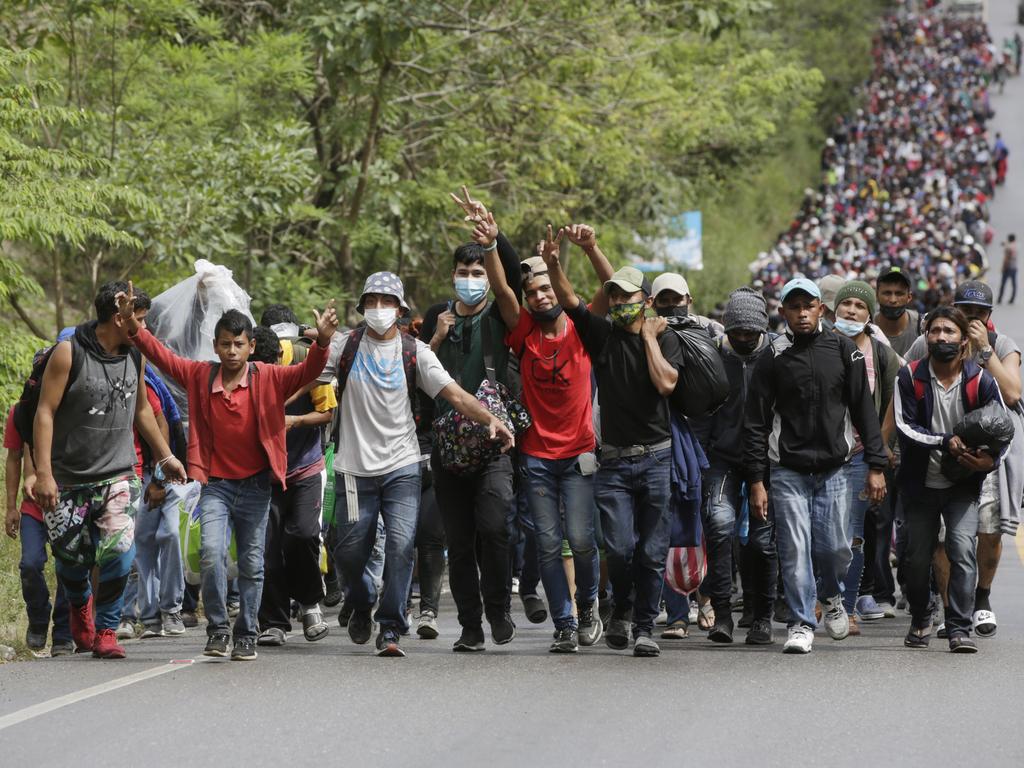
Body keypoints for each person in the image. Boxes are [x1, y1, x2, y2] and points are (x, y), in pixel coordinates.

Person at [119, 284, 337, 661]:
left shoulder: (269, 376)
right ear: (216, 347)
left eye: (239, 344)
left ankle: (247, 631)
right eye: (224, 344)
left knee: (253, 563)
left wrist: (323, 343)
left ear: (251, 346)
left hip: (256, 486)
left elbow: (310, 371)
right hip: (217, 486)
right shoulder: (201, 376)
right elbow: (163, 357)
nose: (232, 351)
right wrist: (134, 328)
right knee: (211, 554)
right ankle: (218, 628)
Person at [319, 271, 514, 656]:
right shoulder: (345, 347)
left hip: (403, 465)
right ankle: (360, 603)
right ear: (362, 307)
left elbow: (455, 394)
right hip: (354, 470)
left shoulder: (416, 351)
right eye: (371, 301)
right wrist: (320, 342)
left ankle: (390, 626)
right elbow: (305, 379)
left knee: (402, 545)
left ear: (400, 309)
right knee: (349, 552)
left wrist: (491, 418)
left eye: (386, 302)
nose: (378, 309)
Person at [475, 207, 613, 653]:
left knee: (581, 540)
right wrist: (492, 242)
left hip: (579, 455)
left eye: (546, 289)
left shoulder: (582, 329)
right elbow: (500, 287)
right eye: (532, 292)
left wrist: (587, 249)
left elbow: (611, 291)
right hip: (537, 458)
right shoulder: (523, 333)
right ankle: (566, 623)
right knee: (549, 544)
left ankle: (589, 605)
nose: (538, 297)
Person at [546, 235, 685, 658]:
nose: (620, 300)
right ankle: (620, 607)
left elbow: (666, 384)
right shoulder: (601, 336)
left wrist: (647, 339)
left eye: (628, 295)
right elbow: (569, 298)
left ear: (645, 300)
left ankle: (644, 626)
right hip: (614, 462)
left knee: (651, 550)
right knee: (621, 548)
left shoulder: (664, 337)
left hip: (658, 457)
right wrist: (560, 260)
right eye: (615, 295)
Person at [32, 281, 186, 659]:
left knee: (120, 554)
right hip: (68, 477)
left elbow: (143, 412)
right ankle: (81, 604)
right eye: (138, 320)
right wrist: (44, 473)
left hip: (119, 473)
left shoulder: (137, 356)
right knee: (71, 563)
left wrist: (166, 457)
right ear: (119, 318)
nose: (144, 330)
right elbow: (44, 412)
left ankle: (107, 630)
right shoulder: (68, 354)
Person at [744, 278, 887, 654]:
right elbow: (756, 423)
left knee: (837, 548)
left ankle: (832, 596)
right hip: (787, 470)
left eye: (808, 305)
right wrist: (757, 481)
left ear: (820, 309)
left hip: (836, 470)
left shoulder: (844, 351)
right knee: (793, 549)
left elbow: (864, 412)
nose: (802, 313)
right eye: (794, 307)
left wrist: (876, 464)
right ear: (784, 313)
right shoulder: (771, 356)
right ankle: (801, 622)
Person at [418, 189, 523, 652]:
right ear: (453, 277)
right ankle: (470, 625)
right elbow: (413, 374)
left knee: (495, 525)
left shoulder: (501, 317)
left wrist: (495, 241)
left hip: (494, 444)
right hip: (446, 449)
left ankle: (499, 609)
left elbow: (507, 287)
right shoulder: (436, 319)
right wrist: (436, 338)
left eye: (477, 272)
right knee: (457, 544)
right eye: (463, 273)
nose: (470, 280)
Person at [903, 280, 1021, 638]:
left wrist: (984, 352)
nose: (971, 318)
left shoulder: (1002, 345)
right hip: (937, 453)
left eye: (979, 313)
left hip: (986, 458)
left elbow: (1013, 393)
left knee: (988, 532)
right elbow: (905, 381)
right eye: (965, 311)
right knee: (943, 538)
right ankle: (952, 606)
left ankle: (981, 598)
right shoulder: (930, 340)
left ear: (988, 316)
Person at [697, 288, 778, 645]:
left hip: (769, 459)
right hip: (722, 457)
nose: (744, 339)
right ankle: (723, 616)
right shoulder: (712, 354)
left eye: (751, 333)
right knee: (719, 524)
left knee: (762, 542)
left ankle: (762, 616)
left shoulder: (777, 354)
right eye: (737, 332)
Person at [250, 322, 336, 647]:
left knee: (302, 535)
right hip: (262, 477)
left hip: (304, 469)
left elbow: (328, 412)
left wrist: (295, 420)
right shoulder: (239, 373)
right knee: (268, 549)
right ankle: (273, 622)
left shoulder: (301, 360)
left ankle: (311, 601)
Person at [830, 280, 901, 635]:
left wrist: (882, 459)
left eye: (860, 306)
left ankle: (846, 607)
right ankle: (821, 599)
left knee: (854, 535)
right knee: (825, 534)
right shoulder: (821, 345)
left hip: (861, 457)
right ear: (834, 310)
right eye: (846, 306)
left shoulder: (882, 354)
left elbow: (891, 407)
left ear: (869, 315)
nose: (852, 312)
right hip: (824, 457)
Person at [4, 405, 73, 655]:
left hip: (70, 503)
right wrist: (11, 507)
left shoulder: (72, 406)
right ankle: (38, 617)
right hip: (33, 508)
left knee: (68, 567)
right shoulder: (20, 411)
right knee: (30, 564)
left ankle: (64, 631)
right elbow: (13, 458)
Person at [651, 272, 724, 336]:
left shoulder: (708, 327)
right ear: (654, 306)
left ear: (689, 302)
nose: (671, 305)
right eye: (664, 301)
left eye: (677, 300)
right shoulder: (648, 332)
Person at [874, 267, 920, 357]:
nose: (893, 300)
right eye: (887, 293)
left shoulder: (922, 327)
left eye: (899, 294)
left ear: (909, 297)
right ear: (877, 295)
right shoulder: (866, 326)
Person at [998, 234, 1017, 305]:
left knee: (1003, 284)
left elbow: (1006, 259)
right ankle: (1012, 299)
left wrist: (1003, 267)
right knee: (1014, 284)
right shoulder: (1015, 245)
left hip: (1008, 267)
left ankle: (1000, 298)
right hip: (1014, 267)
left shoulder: (1008, 248)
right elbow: (1007, 244)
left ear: (1009, 239)